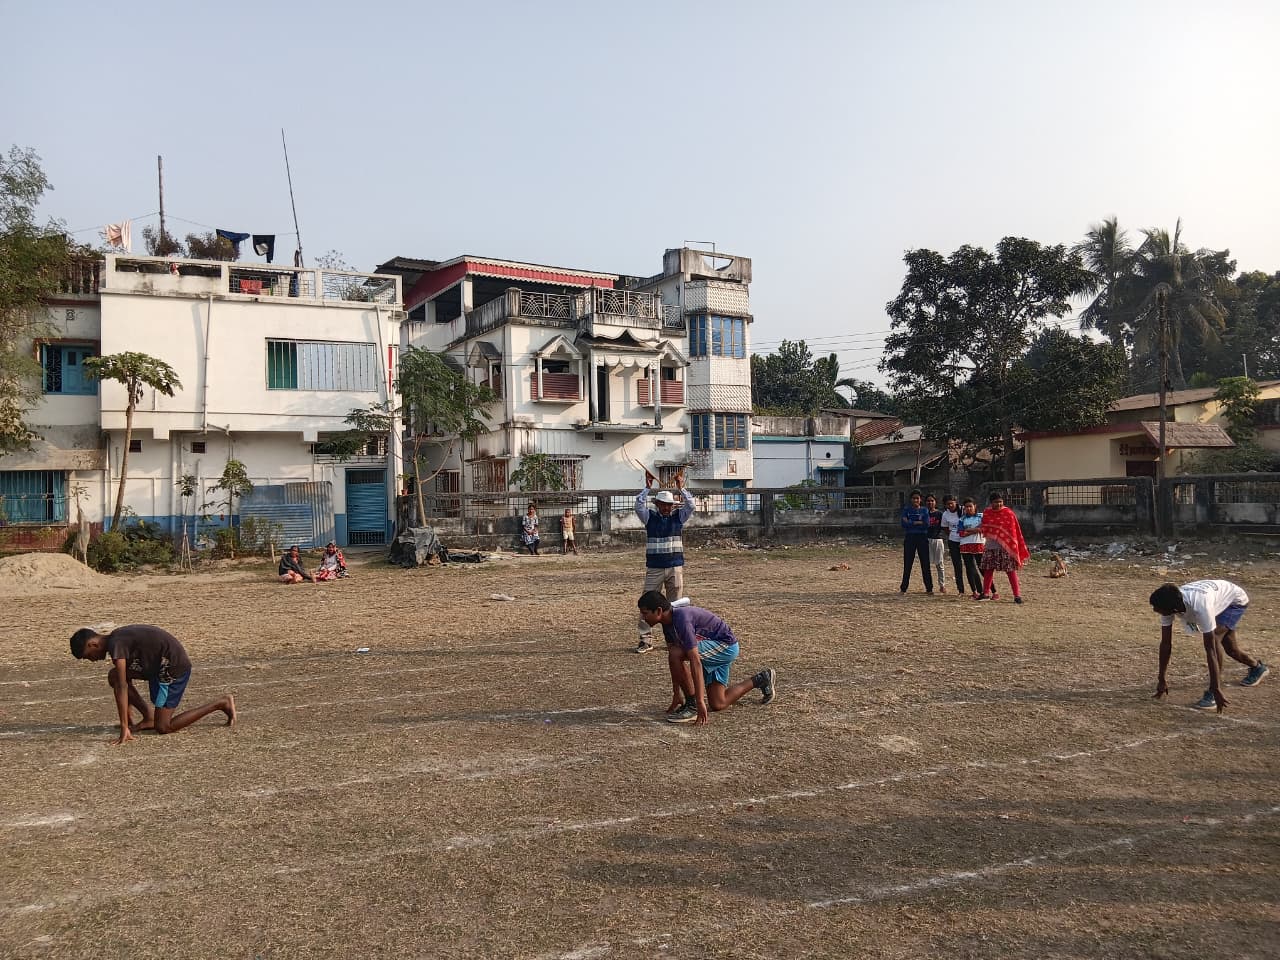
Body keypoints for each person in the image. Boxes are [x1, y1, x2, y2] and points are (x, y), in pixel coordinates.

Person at [68, 624, 235, 745]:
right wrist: (127, 717)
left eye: (88, 656)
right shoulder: (116, 639)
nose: (91, 660)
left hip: (172, 668)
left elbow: (122, 686)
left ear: (93, 644)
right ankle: (148, 717)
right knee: (114, 676)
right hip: (156, 667)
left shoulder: (116, 644)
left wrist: (124, 728)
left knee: (163, 727)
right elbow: (120, 679)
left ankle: (220, 703)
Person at [637, 591, 775, 724]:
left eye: (645, 613)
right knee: (718, 703)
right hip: (715, 649)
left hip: (725, 647)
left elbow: (695, 661)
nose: (643, 618)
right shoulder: (667, 623)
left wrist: (699, 701)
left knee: (676, 653)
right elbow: (673, 661)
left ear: (659, 611)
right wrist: (676, 693)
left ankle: (691, 705)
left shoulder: (682, 619)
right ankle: (761, 679)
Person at [1151, 580, 1269, 712]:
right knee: (1231, 649)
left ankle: (1213, 692)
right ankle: (1257, 668)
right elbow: (1166, 644)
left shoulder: (1200, 607)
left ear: (1173, 609)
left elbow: (1210, 649)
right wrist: (1161, 679)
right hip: (1217, 599)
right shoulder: (1169, 603)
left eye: (1157, 608)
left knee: (1216, 638)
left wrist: (1216, 688)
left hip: (1234, 601)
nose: (1155, 610)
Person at [634, 469, 695, 653]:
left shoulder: (679, 516)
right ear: (658, 504)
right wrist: (647, 487)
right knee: (647, 604)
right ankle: (645, 640)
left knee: (676, 606)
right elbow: (638, 505)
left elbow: (691, 505)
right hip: (655, 568)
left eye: (669, 505)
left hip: (675, 566)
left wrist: (681, 487)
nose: (667, 508)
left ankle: (675, 639)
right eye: (664, 504)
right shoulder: (649, 517)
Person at [975, 491, 1029, 603]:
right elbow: (984, 526)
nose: (998, 504)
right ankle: (986, 593)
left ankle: (1017, 596)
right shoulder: (987, 512)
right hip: (990, 546)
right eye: (996, 502)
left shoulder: (1008, 513)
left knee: (1010, 571)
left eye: (1000, 502)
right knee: (988, 570)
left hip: (1006, 547)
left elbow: (1014, 530)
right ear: (991, 503)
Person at [899, 490, 933, 595]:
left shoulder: (924, 510)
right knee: (908, 563)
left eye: (917, 498)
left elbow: (926, 524)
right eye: (914, 498)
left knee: (925, 563)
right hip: (910, 537)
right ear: (911, 499)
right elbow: (904, 524)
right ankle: (903, 588)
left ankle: (929, 588)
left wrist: (911, 522)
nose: (915, 500)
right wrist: (917, 522)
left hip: (922, 537)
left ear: (920, 499)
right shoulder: (906, 510)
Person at [956, 497, 985, 598]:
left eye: (970, 506)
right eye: (966, 507)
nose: (968, 509)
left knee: (982, 568)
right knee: (970, 568)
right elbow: (961, 533)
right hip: (965, 545)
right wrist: (975, 530)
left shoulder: (981, 516)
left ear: (975, 506)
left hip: (979, 544)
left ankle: (991, 590)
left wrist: (968, 530)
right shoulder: (962, 519)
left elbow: (984, 528)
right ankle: (975, 591)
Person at [940, 494, 965, 594]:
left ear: (955, 502)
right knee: (957, 565)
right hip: (953, 541)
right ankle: (960, 589)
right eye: (948, 504)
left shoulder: (963, 510)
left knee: (970, 565)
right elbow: (945, 527)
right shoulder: (945, 514)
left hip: (966, 540)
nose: (950, 505)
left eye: (951, 503)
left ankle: (976, 589)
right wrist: (952, 534)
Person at [925, 494, 947, 594]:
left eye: (932, 501)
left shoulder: (940, 514)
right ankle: (929, 587)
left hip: (938, 539)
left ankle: (942, 585)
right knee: (926, 564)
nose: (930, 503)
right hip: (927, 540)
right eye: (928, 501)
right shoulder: (924, 513)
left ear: (935, 502)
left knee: (939, 563)